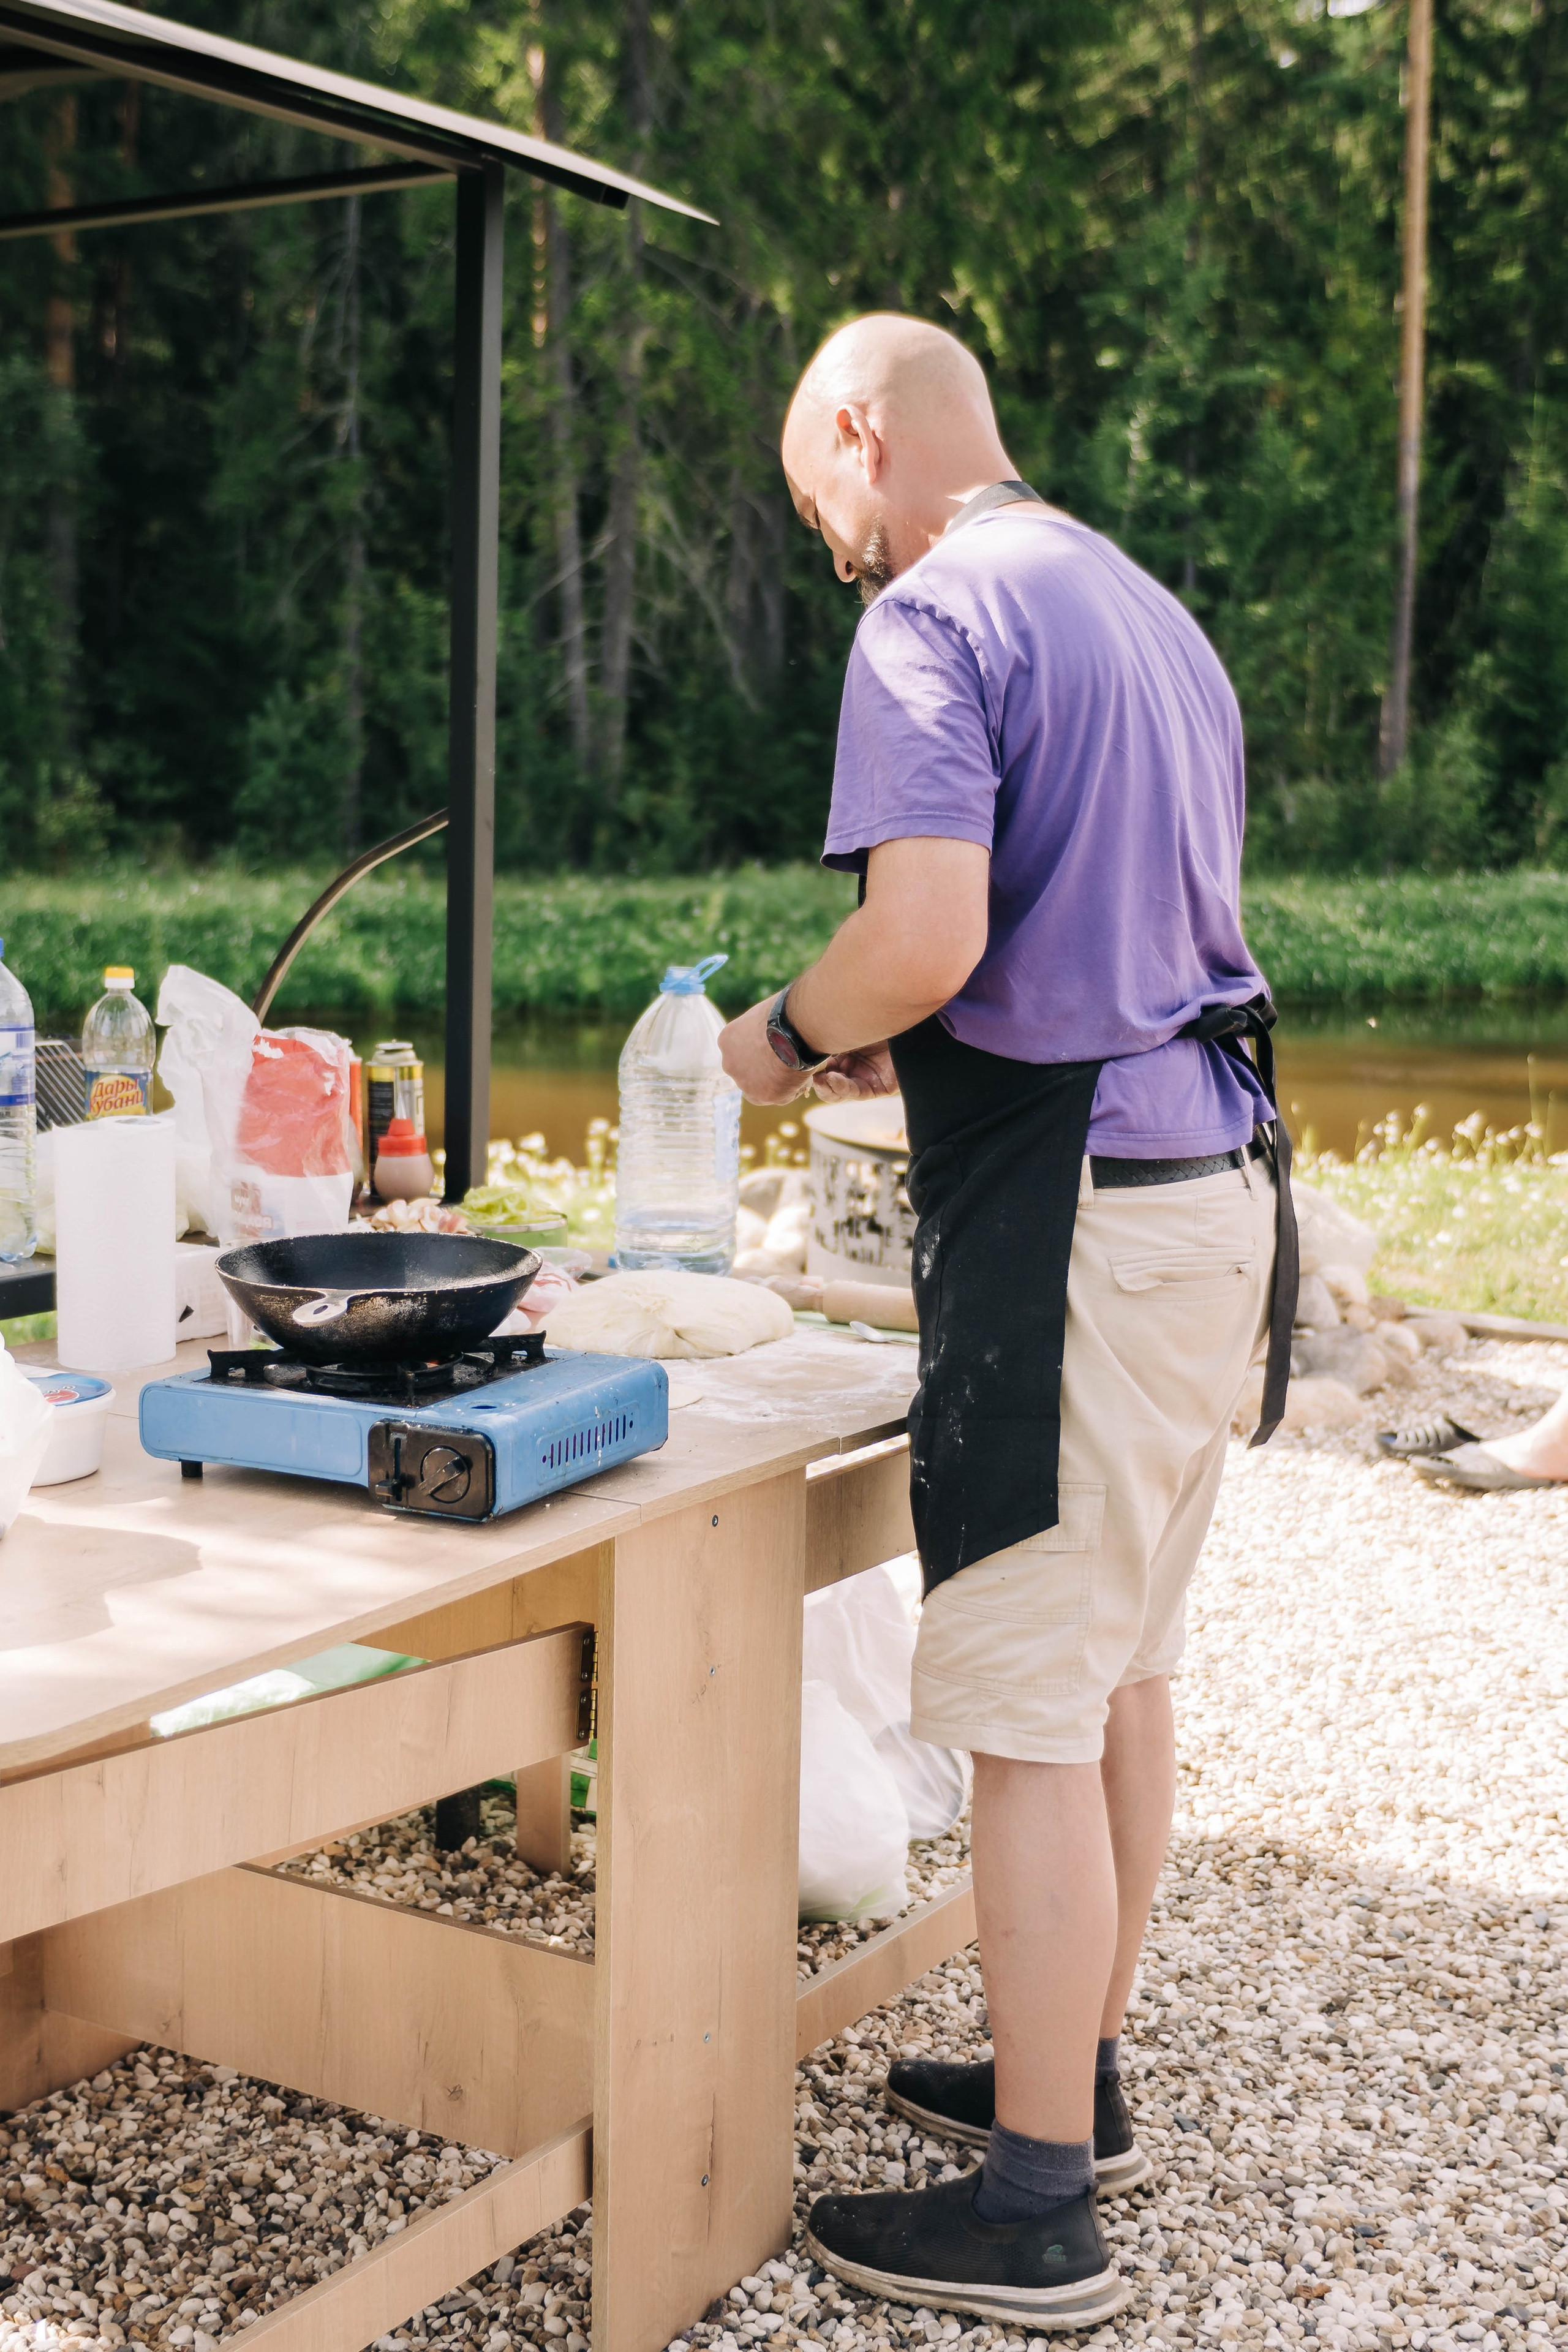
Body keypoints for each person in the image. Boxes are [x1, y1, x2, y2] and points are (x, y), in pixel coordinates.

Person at [717, 314, 1297, 2329]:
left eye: (822, 509)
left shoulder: (936, 617)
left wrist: (788, 1038)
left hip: (1081, 1234)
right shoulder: (1144, 607)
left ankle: (1038, 2205)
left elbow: (926, 931)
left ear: (869, 438)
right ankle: (1086, 2068)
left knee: (1024, 1726)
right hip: (1214, 1195)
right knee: (1120, 1672)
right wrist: (922, 1043)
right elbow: (1082, 941)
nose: (837, 557)